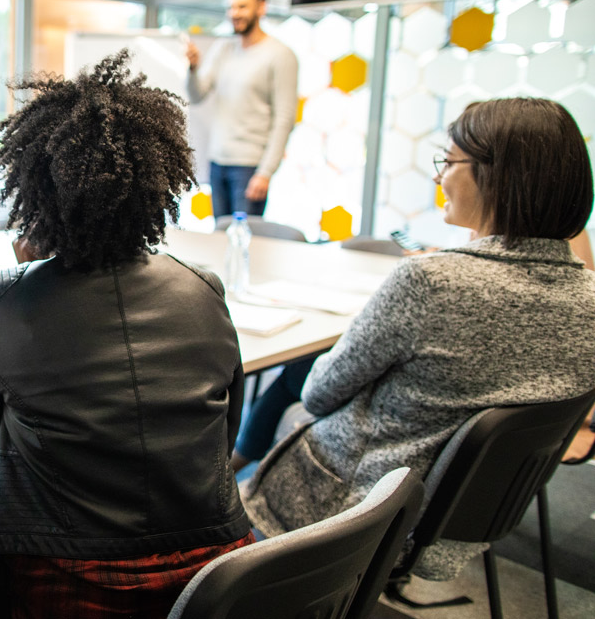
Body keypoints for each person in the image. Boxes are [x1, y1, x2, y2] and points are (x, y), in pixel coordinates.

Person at [0, 51, 254, 619]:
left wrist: (30, 263)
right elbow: (226, 429)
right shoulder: (203, 287)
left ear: (31, 193)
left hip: (70, 586)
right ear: (155, 185)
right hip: (213, 584)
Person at [242, 97, 595, 581]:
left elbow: (320, 396)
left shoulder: (430, 282)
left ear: (500, 176)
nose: (439, 177)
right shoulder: (590, 299)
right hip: (458, 521)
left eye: (448, 162)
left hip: (352, 511)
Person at [186, 0, 298, 220]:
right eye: (232, 7)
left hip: (249, 168)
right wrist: (193, 68)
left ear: (261, 8)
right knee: (218, 239)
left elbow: (285, 119)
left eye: (242, 7)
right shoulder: (223, 48)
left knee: (245, 243)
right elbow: (196, 95)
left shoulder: (280, 55)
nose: (235, 14)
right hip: (217, 162)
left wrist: (265, 172)